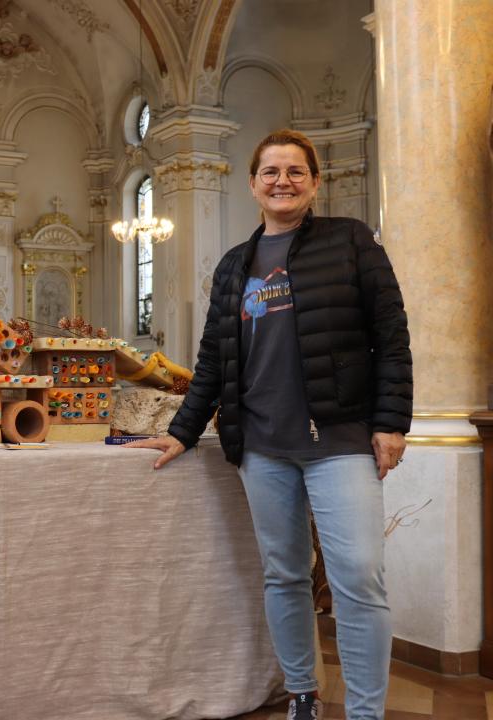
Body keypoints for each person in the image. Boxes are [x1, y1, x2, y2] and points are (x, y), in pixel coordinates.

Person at [126, 129, 412, 720]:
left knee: (359, 578)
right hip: (262, 445)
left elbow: (392, 339)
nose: (283, 181)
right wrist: (183, 430)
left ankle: (365, 712)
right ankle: (302, 694)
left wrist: (390, 422)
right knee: (284, 575)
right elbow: (213, 358)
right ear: (253, 184)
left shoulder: (351, 242)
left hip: (338, 440)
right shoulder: (235, 265)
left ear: (314, 181)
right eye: (271, 171)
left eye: (295, 171)